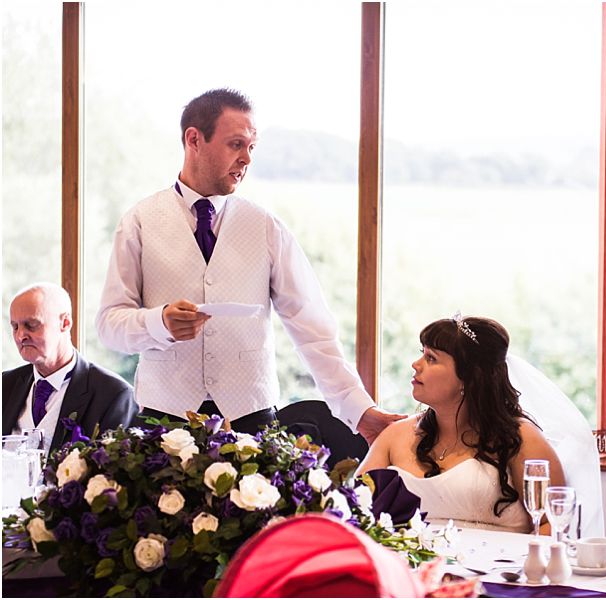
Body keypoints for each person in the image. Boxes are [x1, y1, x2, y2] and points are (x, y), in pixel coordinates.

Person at [95, 88, 399, 440]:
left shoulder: (267, 227)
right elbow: (108, 325)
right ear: (194, 139)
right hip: (163, 423)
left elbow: (313, 328)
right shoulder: (139, 221)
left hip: (252, 422)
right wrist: (157, 322)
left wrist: (358, 410)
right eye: (236, 144)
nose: (247, 159)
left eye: (251, 147)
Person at [359, 315, 566, 533]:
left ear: (469, 377)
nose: (416, 364)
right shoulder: (395, 435)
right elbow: (354, 508)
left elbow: (554, 523)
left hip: (502, 565)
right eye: (422, 354)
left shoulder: (521, 439)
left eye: (431, 358)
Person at [3, 283, 137, 452]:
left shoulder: (114, 395)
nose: (21, 336)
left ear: (65, 322)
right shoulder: (5, 385)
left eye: (31, 325)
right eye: (15, 326)